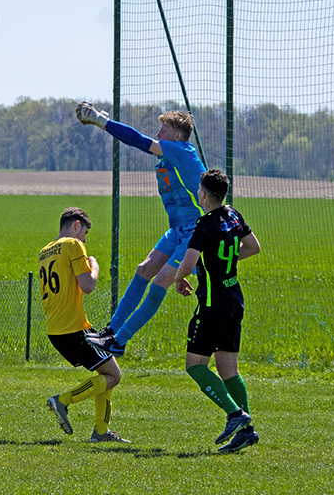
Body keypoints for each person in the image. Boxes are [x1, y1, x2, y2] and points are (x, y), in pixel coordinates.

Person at [75, 101, 207, 357]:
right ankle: (110, 331)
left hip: (196, 230)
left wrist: (100, 120)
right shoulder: (168, 156)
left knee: (161, 280)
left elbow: (137, 139)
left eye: (163, 130)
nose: (158, 135)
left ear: (177, 136)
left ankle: (119, 341)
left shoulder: (181, 151)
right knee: (144, 269)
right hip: (177, 229)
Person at [173, 169, 261, 452]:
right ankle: (247, 431)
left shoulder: (205, 224)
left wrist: (179, 279)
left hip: (213, 304)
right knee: (228, 369)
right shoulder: (233, 214)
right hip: (234, 298)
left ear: (202, 194)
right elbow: (254, 247)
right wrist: (226, 263)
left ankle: (235, 414)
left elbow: (188, 263)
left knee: (195, 365)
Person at [39, 207, 128, 443]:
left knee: (106, 371)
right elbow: (88, 285)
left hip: (55, 329)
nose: (85, 240)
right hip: (74, 327)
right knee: (114, 375)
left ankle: (101, 431)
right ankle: (62, 401)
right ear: (77, 224)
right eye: (85, 233)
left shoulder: (45, 251)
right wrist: (94, 266)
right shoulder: (73, 244)